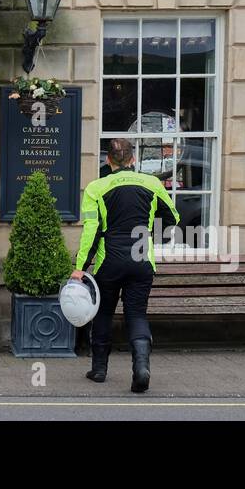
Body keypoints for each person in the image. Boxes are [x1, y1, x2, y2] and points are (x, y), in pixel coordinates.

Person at [71, 137, 180, 392]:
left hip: (109, 262)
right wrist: (146, 230)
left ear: (108, 160)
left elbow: (92, 231)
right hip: (141, 259)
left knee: (104, 313)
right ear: (133, 159)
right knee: (137, 314)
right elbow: (173, 217)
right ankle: (141, 368)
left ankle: (99, 370)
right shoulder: (152, 183)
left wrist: (81, 267)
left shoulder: (96, 188)